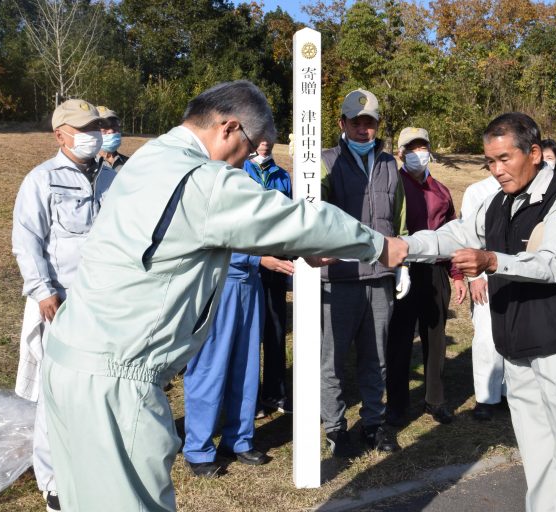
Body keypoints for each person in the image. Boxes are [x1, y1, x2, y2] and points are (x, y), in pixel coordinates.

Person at [41, 81, 408, 512]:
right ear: (229, 128)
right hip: (117, 382)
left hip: (70, 360)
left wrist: (293, 248)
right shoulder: (202, 178)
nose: (247, 160)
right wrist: (378, 245)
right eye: (249, 147)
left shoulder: (153, 158)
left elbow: (192, 230)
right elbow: (293, 217)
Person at [402, 113, 556, 511]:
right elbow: (454, 235)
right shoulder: (499, 203)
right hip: (518, 347)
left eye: (504, 158)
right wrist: (400, 246)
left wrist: (491, 261)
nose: (496, 170)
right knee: (538, 455)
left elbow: (550, 264)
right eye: (489, 162)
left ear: (533, 153)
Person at [12, 98, 115, 512]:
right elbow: (27, 241)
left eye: (96, 127)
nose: (93, 135)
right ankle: (52, 479)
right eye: (83, 129)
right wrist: (43, 292)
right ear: (60, 135)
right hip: (63, 304)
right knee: (56, 393)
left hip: (105, 306)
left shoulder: (110, 178)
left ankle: (90, 466)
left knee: (97, 391)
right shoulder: (41, 180)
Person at [320, 88, 407, 457]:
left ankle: (374, 424)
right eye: (355, 122)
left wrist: (400, 266)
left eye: (369, 123)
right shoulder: (324, 162)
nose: (362, 129)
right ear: (342, 123)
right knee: (332, 359)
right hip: (337, 279)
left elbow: (399, 218)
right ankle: (335, 428)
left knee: (377, 358)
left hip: (379, 277)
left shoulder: (390, 165)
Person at [385, 127, 467, 426]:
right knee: (400, 338)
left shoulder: (441, 191)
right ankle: (397, 403)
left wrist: (456, 274)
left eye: (423, 148)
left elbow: (453, 233)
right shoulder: (392, 185)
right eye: (412, 149)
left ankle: (435, 399)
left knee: (436, 337)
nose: (418, 153)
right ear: (401, 153)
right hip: (403, 269)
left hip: (434, 270)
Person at [182, 250, 269, 477]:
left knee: (247, 367)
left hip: (251, 284)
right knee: (209, 368)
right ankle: (198, 450)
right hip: (217, 283)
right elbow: (209, 237)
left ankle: (238, 440)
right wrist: (255, 258)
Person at [243, 141, 295, 415]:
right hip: (246, 264)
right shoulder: (239, 171)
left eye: (269, 136)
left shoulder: (283, 176)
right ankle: (248, 398)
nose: (264, 142)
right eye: (259, 135)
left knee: (275, 330)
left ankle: (274, 393)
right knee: (249, 335)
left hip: (275, 263)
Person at [460, 162, 504, 421]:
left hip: (515, 269)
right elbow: (468, 237)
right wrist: (474, 277)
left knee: (513, 333)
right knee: (486, 337)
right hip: (485, 273)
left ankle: (509, 392)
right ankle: (487, 397)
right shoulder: (477, 191)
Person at [95, 106, 129, 171]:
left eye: (114, 126)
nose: (111, 131)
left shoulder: (129, 163)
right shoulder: (87, 166)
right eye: (104, 126)